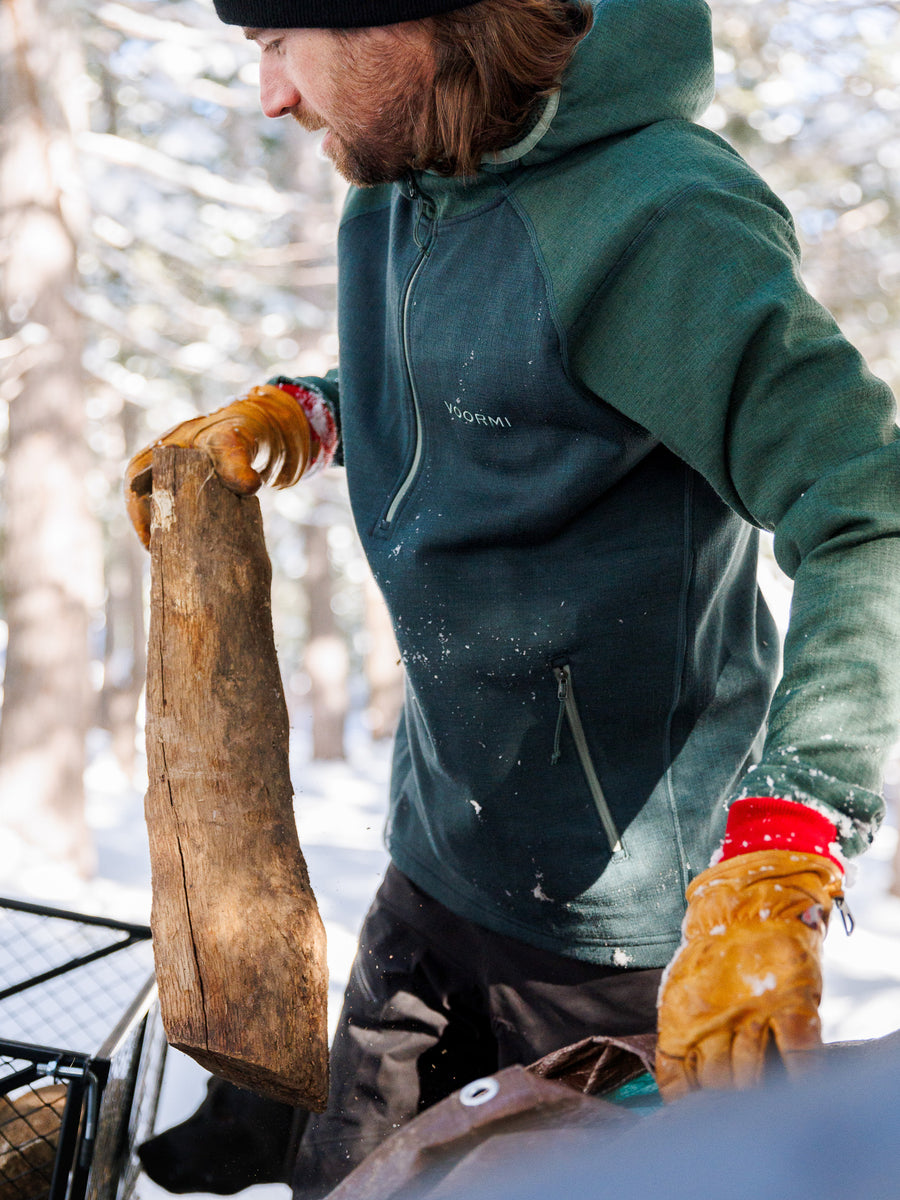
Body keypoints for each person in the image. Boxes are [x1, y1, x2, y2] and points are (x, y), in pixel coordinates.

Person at [126, 0, 900, 1194]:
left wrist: (787, 848)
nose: (273, 96)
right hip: (435, 843)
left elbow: (869, 511)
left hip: (622, 930)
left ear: (422, 23)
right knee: (346, 1176)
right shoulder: (400, 165)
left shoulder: (665, 220)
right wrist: (315, 408)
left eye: (281, 44)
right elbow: (495, 372)